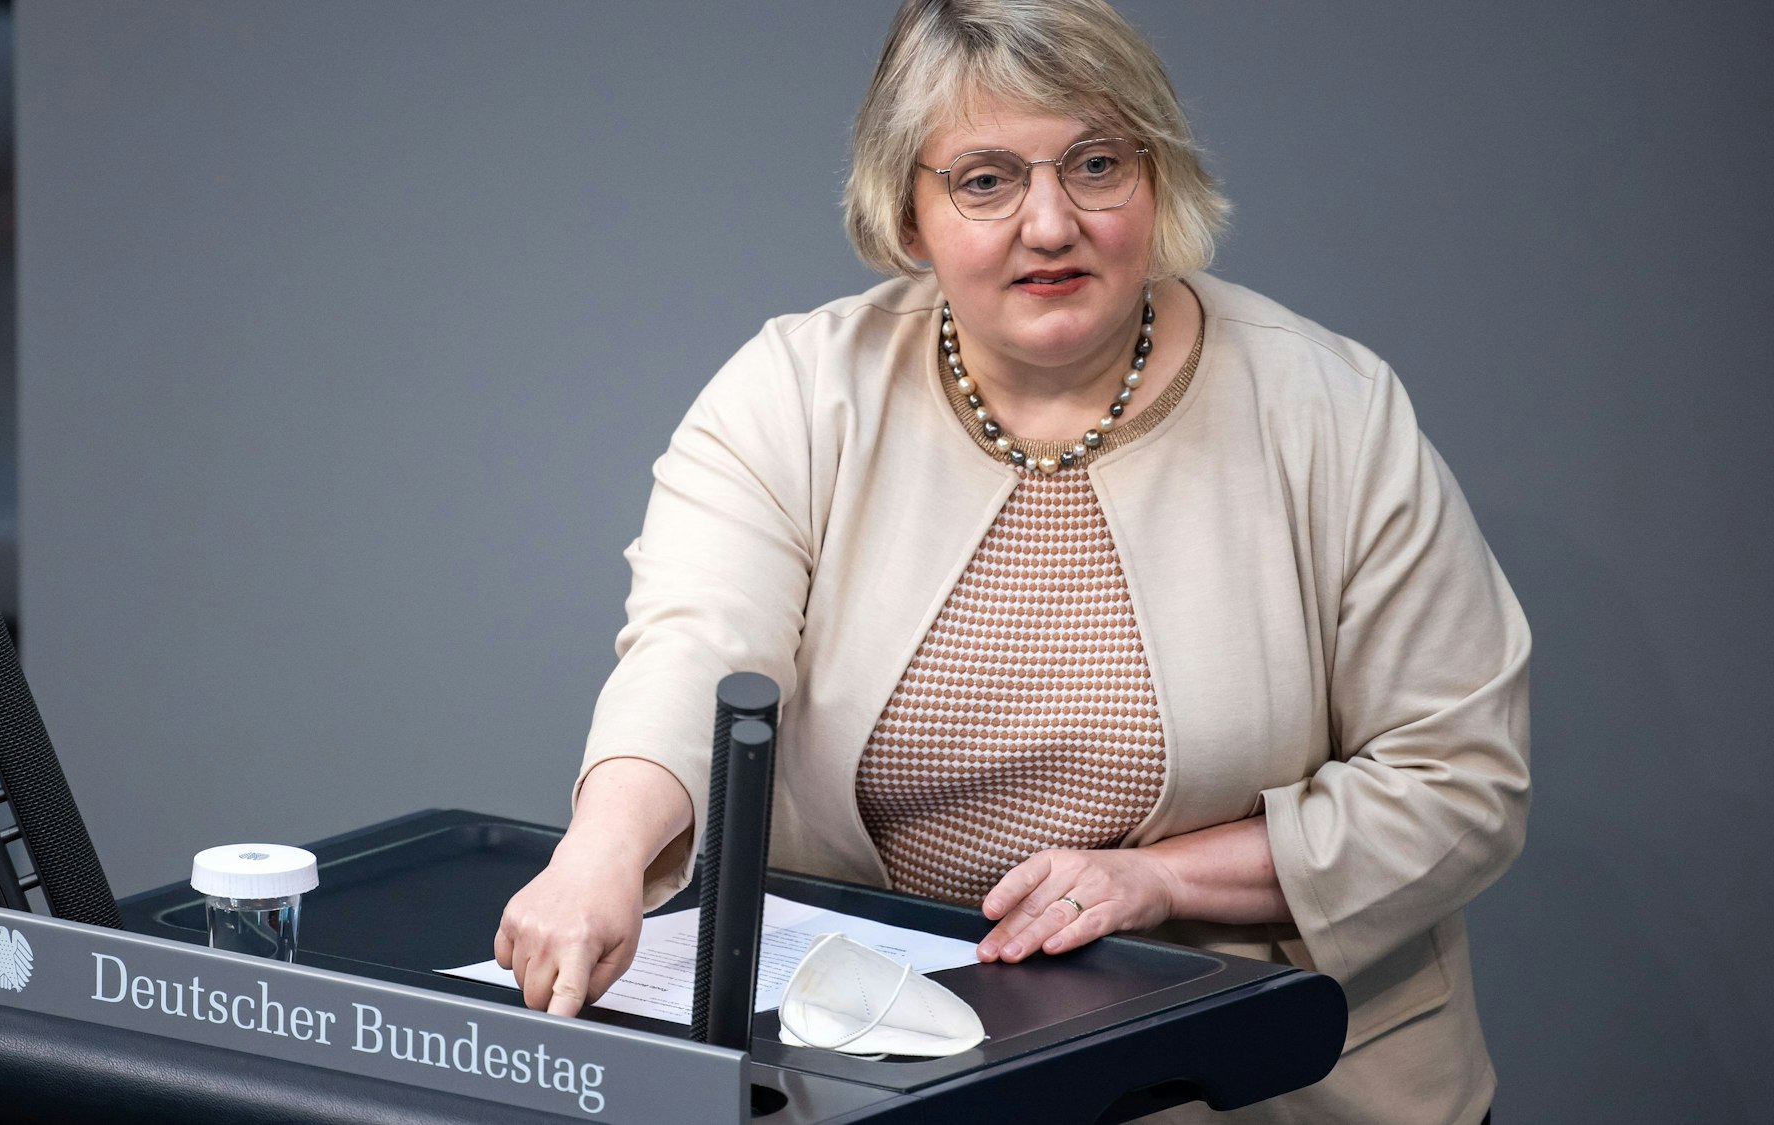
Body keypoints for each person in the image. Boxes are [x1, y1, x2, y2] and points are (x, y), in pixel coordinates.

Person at [494, 2, 1529, 1122]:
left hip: (1262, 1080)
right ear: (906, 210)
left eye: (1094, 165)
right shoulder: (793, 392)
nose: (1049, 225)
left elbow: (1457, 780)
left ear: (1158, 177)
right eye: (984, 180)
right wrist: (599, 854)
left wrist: (1161, 878)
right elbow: (698, 648)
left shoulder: (1329, 409)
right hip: (891, 1075)